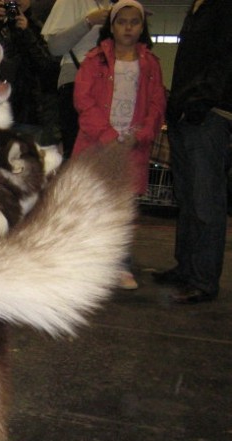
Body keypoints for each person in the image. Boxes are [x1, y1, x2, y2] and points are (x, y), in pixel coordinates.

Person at [72, 0, 166, 290]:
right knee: (91, 205)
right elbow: (83, 102)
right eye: (121, 21)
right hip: (96, 146)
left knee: (122, 209)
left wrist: (145, 132)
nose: (128, 27)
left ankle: (120, 264)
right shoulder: (94, 60)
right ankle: (87, 263)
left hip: (131, 149)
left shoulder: (150, 64)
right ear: (110, 26)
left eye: (134, 22)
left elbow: (156, 102)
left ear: (142, 27)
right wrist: (107, 134)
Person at [152, 0, 232, 304]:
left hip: (209, 114)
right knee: (187, 198)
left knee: (205, 200)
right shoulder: (197, 8)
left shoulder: (223, 7)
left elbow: (225, 58)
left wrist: (204, 101)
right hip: (188, 112)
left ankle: (203, 279)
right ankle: (186, 268)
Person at [41, 0, 112, 159]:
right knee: (77, 152)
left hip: (110, 83)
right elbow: (55, 47)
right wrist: (88, 21)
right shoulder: (70, 2)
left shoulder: (116, 4)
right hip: (76, 80)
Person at [0, 0, 61, 145]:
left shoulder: (42, 25)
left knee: (29, 161)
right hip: (0, 109)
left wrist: (27, 32)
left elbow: (48, 66)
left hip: (33, 111)